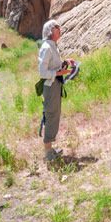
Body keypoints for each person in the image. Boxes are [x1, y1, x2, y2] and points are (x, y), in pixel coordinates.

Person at [38, 20, 75, 162]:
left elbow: (54, 66)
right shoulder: (47, 47)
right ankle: (47, 153)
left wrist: (65, 62)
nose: (59, 28)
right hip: (51, 86)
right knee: (52, 115)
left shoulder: (52, 46)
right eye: (56, 27)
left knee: (54, 116)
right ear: (49, 31)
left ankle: (50, 149)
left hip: (55, 86)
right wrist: (59, 73)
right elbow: (42, 72)